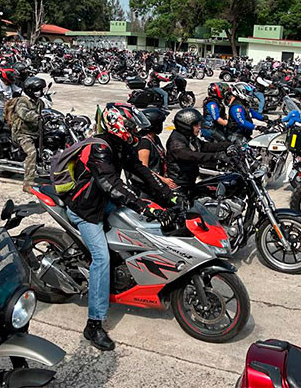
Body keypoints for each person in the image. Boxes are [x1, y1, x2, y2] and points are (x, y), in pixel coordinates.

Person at [64, 103, 175, 351]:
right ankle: (93, 324)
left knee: (145, 228)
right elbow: (111, 184)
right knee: (101, 258)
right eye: (131, 126)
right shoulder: (98, 149)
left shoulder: (121, 145)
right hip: (87, 211)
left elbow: (142, 173)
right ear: (118, 125)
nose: (135, 131)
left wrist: (168, 196)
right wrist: (142, 205)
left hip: (106, 204)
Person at [166, 108, 231, 191]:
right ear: (186, 126)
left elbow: (205, 146)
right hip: (180, 185)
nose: (199, 127)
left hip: (190, 181)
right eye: (196, 125)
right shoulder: (176, 142)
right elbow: (192, 156)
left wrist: (227, 145)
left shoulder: (189, 137)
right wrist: (216, 156)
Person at [10, 77, 46, 193]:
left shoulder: (39, 102)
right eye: (37, 90)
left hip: (36, 131)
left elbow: (45, 112)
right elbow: (24, 114)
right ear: (30, 90)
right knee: (32, 153)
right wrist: (37, 116)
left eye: (41, 90)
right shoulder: (22, 101)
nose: (39, 92)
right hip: (23, 134)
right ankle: (28, 184)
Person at [129, 108, 177, 195]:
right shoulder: (144, 143)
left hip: (158, 182)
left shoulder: (154, 138)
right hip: (147, 189)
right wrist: (163, 180)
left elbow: (163, 154)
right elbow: (144, 169)